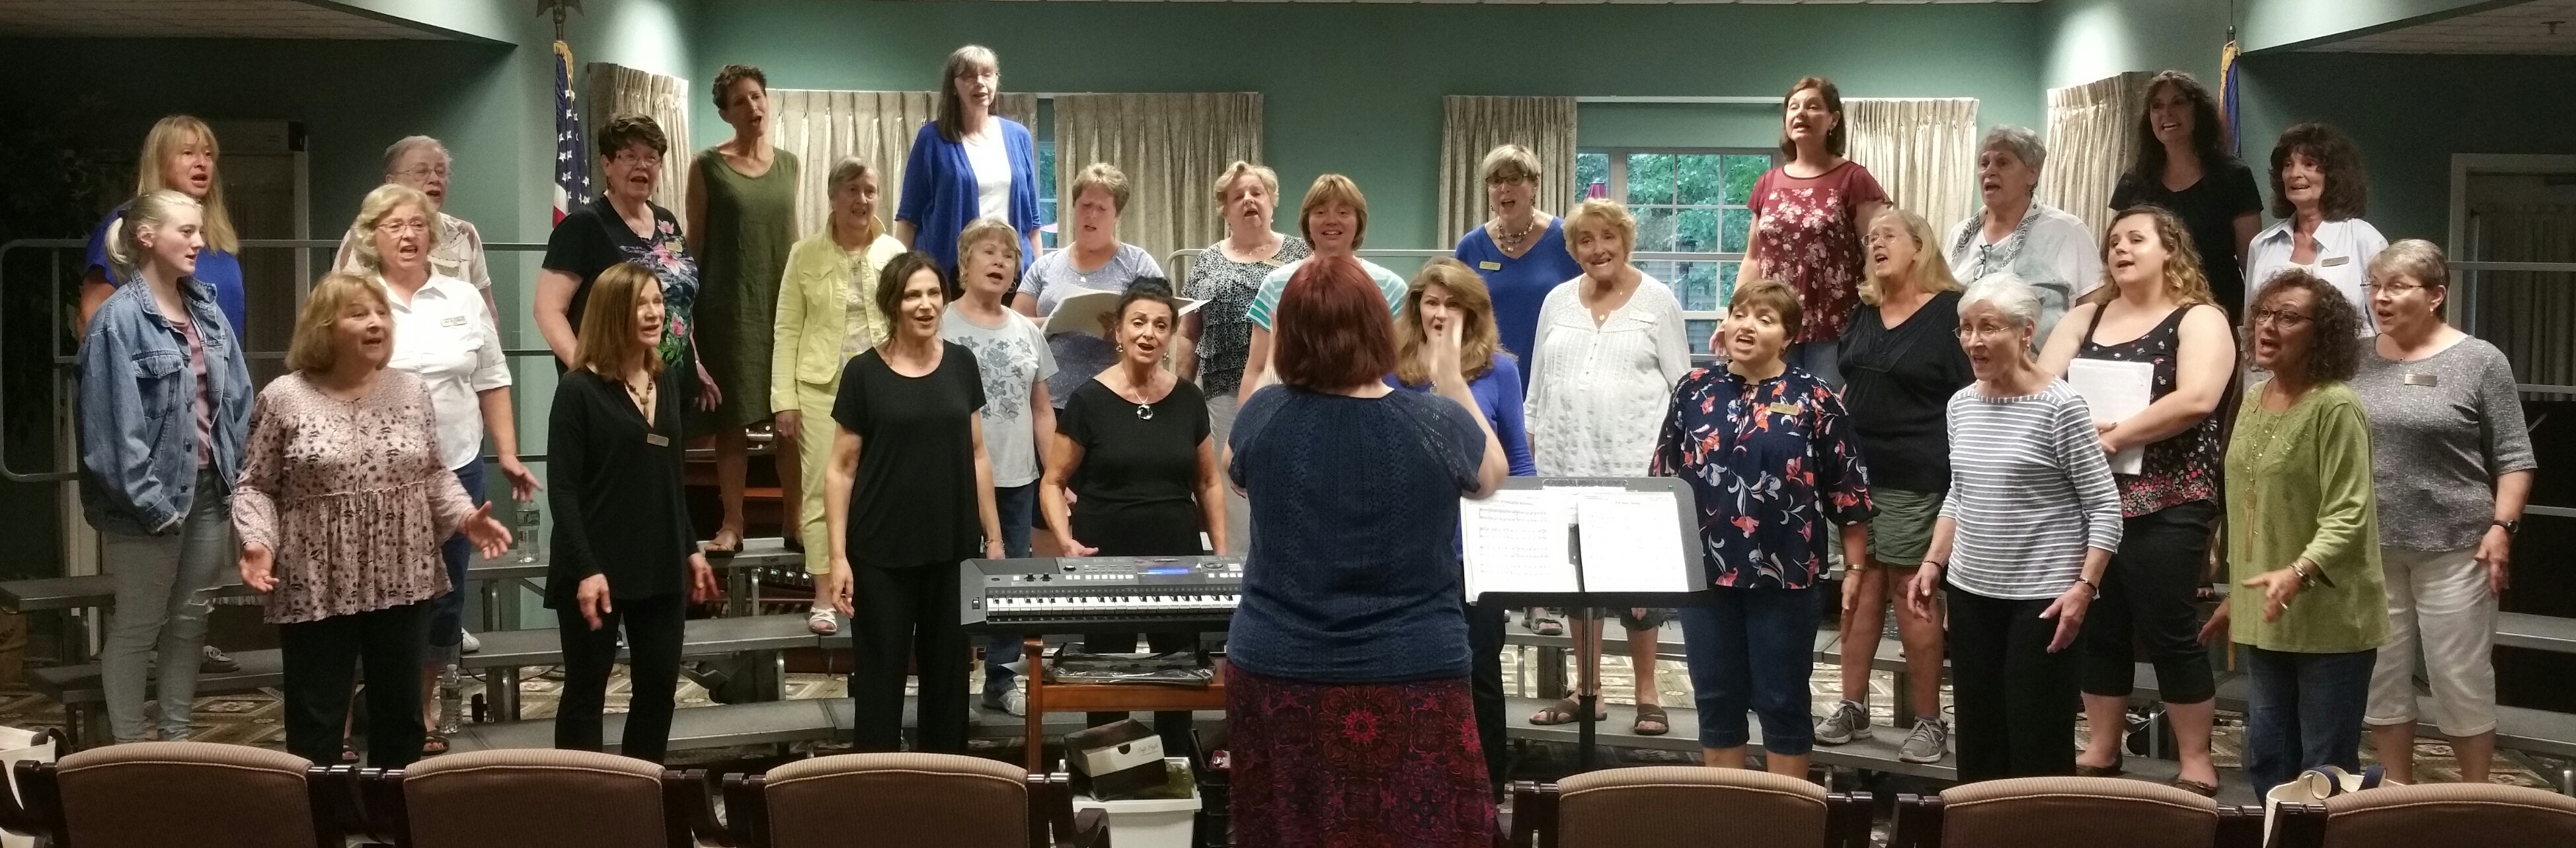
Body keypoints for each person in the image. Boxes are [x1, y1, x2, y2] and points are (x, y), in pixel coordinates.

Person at [1226, 257, 1508, 848]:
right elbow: (1490, 476)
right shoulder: (1434, 420)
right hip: (1415, 670)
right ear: (1381, 327)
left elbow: (1237, 472)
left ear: (1291, 333)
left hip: (1280, 666)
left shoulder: (1262, 414)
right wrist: (1449, 376)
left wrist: (1280, 356)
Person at [232, 272, 511, 768]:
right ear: (323, 326)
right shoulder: (283, 397)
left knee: (401, 718)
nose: (376, 322)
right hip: (315, 577)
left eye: (381, 312)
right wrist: (258, 542)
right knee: (316, 721)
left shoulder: (410, 391)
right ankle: (321, 826)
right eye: (359, 313)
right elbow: (256, 484)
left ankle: (395, 823)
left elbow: (431, 473)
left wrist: (466, 517)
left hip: (401, 572)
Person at [2037, 206, 2235, 795]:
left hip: (2170, 499)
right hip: (2090, 499)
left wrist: (2113, 436)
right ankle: (2101, 748)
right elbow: (2044, 385)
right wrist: (2082, 436)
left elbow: (2198, 398)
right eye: (2114, 241)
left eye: (2136, 239)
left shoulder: (2199, 318)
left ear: (2169, 249)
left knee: (2169, 627)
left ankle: (2196, 758)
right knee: (2100, 624)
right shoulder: (2086, 314)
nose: (2120, 248)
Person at [1903, 273, 2122, 783]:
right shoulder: (1961, 405)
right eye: (1965, 329)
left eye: (1988, 328)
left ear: (2026, 331)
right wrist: (1934, 561)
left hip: (2044, 601)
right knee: (1978, 744)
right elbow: (1960, 492)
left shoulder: (2060, 407)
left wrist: (2084, 588)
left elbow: (2105, 509)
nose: (1973, 341)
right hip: (1973, 592)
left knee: (2036, 746)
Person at [344, 183, 538, 753]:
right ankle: (349, 718)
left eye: (417, 225)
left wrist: (506, 452)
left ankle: (420, 709)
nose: (408, 236)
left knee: (446, 595)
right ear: (371, 237)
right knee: (368, 594)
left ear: (433, 234)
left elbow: (492, 379)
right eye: (394, 226)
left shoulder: (462, 297)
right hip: (374, 477)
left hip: (457, 466)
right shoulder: (354, 297)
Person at [1659, 279, 1872, 780]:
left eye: (1764, 318)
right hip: (1704, 577)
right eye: (1738, 313)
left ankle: (1785, 822)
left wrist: (1857, 568)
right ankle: (1726, 820)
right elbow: (1664, 477)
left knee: (1781, 699)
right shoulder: (1693, 390)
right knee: (1715, 698)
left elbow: (1849, 493)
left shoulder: (1815, 398)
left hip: (1787, 576)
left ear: (1788, 335)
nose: (1746, 325)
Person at [2355, 241, 2534, 785]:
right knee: (2381, 674)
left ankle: (2475, 792)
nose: (2380, 298)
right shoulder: (2353, 357)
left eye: (2396, 286)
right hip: (2370, 546)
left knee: (2459, 675)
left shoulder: (2478, 360)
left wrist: (2502, 528)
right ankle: (2396, 788)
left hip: (2457, 544)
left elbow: (2514, 457)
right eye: (2375, 286)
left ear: (2435, 295)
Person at [77, 189, 252, 745]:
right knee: (136, 626)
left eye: (199, 230)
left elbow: (238, 399)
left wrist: (234, 477)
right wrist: (153, 506)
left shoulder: (207, 311)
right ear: (147, 237)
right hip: (145, 503)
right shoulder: (117, 321)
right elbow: (110, 435)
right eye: (186, 231)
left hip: (209, 491)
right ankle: (130, 749)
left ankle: (176, 744)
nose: (200, 242)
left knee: (190, 624)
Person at [818, 252, 1005, 753]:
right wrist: (837, 557)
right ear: (893, 305)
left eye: (933, 293)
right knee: (879, 685)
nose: (925, 305)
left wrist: (994, 537)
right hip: (880, 554)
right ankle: (877, 799)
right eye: (912, 295)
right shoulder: (863, 373)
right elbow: (839, 470)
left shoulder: (962, 364)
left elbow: (977, 454)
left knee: (948, 683)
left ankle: (945, 792)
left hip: (950, 549)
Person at [2206, 268, 2384, 795]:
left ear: (2321, 332)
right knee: (2265, 760)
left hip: (2330, 618)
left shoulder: (2336, 406)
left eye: (2288, 317)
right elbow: (2246, 507)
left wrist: (2297, 571)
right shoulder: (2253, 398)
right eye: (2263, 313)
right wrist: (2235, 595)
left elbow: (2348, 514)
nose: (2268, 326)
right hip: (2267, 616)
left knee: (2322, 772)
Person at [1522, 198, 1691, 736]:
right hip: (1565, 459)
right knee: (1579, 582)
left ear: (1625, 240)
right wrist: (1532, 448)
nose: (1597, 249)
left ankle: (1647, 693)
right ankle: (1585, 689)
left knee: (1638, 589)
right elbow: (1537, 385)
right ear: (1572, 250)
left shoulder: (1657, 301)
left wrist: (1670, 466)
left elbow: (1682, 387)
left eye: (1606, 238)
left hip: (1634, 463)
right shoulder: (1555, 300)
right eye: (1585, 241)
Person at [545, 262, 724, 764]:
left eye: (657, 302)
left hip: (658, 561)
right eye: (640, 303)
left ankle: (642, 799)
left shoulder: (665, 381)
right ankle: (580, 803)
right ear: (611, 312)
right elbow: (562, 490)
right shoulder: (579, 389)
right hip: (594, 566)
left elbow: (670, 478)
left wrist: (691, 549)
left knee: (658, 688)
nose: (654, 313)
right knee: (586, 693)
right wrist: (585, 568)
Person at [1041, 278, 1223, 755]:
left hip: (1178, 561)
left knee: (1179, 679)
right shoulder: (1087, 400)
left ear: (1170, 334)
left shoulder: (1187, 399)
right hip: (1104, 560)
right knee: (1105, 680)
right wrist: (1065, 541)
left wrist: (1221, 554)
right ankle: (1105, 799)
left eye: (1161, 325)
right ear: (1117, 332)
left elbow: (1207, 482)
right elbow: (1053, 481)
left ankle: (1180, 788)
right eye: (1138, 322)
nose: (1149, 333)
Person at [1816, 209, 1971, 765]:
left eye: (1887, 236)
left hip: (1917, 474)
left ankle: (1929, 720)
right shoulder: (1862, 310)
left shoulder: (1953, 313)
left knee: (1914, 597)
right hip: (1856, 474)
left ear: (1919, 245)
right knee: (1857, 595)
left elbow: (1970, 394)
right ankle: (1852, 705)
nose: (1875, 244)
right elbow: (1850, 381)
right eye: (1869, 239)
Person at [1389, 258, 1534, 792]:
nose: (1440, 312)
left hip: (1475, 548)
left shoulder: (1498, 370)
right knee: (1408, 673)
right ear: (1416, 306)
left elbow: (1517, 460)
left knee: (1478, 675)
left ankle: (1486, 791)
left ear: (1471, 311)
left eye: (1452, 303)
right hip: (1404, 546)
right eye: (1431, 301)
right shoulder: (1389, 365)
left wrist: (1521, 542)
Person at [775, 157, 908, 634]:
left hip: (882, 387)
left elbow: (909, 320)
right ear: (832, 196)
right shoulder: (803, 254)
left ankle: (873, 586)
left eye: (870, 190)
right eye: (851, 190)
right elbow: (787, 327)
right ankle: (825, 596)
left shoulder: (894, 252)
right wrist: (783, 399)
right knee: (818, 490)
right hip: (818, 388)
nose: (862, 199)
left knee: (880, 491)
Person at [686, 63, 802, 554]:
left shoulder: (790, 164)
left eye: (757, 97)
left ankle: (795, 523)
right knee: (730, 422)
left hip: (781, 306)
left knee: (789, 420)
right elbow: (695, 244)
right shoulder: (707, 166)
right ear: (725, 113)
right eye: (740, 102)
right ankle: (731, 523)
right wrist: (687, 315)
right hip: (727, 309)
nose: (753, 107)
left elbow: (792, 239)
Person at [943, 218, 1057, 713]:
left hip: (1014, 477)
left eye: (1008, 256)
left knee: (1011, 581)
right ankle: (946, 677)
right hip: (948, 478)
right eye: (987, 252)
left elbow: (1041, 410)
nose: (998, 262)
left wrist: (1054, 475)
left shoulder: (1026, 331)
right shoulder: (939, 321)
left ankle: (1000, 678)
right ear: (964, 262)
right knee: (948, 580)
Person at [535, 114, 717, 424]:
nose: (642, 166)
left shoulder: (667, 222)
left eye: (651, 158)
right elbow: (548, 310)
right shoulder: (584, 226)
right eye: (629, 156)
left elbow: (678, 304)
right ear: (607, 165)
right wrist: (586, 373)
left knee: (669, 474)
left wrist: (694, 360)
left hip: (671, 387)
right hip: (613, 393)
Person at [1180, 161, 1309, 556]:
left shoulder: (1300, 253)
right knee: (1233, 487)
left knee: (1288, 485)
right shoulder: (1207, 260)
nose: (1249, 201)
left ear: (1273, 202)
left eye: (1257, 193)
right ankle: (1237, 577)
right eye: (1238, 196)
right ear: (1224, 209)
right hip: (1224, 392)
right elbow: (1188, 332)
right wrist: (1179, 395)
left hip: (1291, 391)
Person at [1741, 76, 1892, 387]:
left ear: (1833, 120)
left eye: (1813, 107)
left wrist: (1888, 315)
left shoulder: (1854, 178)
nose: (1801, 114)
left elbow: (1878, 253)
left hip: (1835, 329)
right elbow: (1753, 259)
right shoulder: (1767, 183)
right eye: (1794, 107)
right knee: (1775, 417)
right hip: (1775, 325)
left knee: (1823, 417)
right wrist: (1737, 315)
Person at [1235, 174, 1409, 405]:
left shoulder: (1392, 286)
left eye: (1343, 212)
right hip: (1291, 414)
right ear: (1307, 222)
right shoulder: (1276, 284)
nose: (1331, 220)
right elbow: (1256, 369)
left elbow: (1402, 369)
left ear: (1359, 222)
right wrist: (1245, 428)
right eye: (1320, 212)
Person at [2111, 71, 2263, 318]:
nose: (2167, 114)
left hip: (2220, 309)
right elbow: (2118, 255)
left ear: (2199, 112)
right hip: (2149, 313)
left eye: (2178, 103)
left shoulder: (2234, 177)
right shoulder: (2134, 182)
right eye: (2157, 106)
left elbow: (2252, 263)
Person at [78, 116, 247, 336]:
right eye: (188, 153)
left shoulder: (216, 227)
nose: (202, 163)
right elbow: (91, 317)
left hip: (221, 366)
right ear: (160, 162)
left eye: (208, 155)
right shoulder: (130, 223)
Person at [1015, 163, 1167, 408]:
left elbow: (1161, 320)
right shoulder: (1046, 266)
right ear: (1074, 207)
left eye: (1102, 208)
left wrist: (1121, 330)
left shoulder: (1138, 264)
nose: (1092, 215)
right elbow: (1014, 323)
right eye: (1086, 205)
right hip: (1050, 403)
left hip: (1117, 400)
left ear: (1117, 215)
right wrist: (1054, 322)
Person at [1941, 126, 2100, 346]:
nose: (1989, 171)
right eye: (1984, 163)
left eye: (2003, 162)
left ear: (2032, 173)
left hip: (2039, 369)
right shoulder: (1960, 234)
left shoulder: (2066, 231)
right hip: (1960, 369)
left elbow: (2093, 310)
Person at [896, 44, 1040, 274]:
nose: (980, 82)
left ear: (996, 80)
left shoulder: (1018, 136)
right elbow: (908, 220)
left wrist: (1037, 279)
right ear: (953, 86)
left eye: (987, 74)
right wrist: (901, 278)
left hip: (1012, 275)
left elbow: (1032, 226)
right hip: (950, 275)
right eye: (969, 76)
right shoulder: (932, 139)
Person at [333, 135, 498, 323]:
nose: (434, 179)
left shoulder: (464, 234)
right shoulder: (367, 234)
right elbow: (339, 308)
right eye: (421, 172)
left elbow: (487, 312)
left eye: (441, 172)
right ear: (392, 183)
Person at [1454, 143, 1584, 380]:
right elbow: (1456, 317)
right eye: (1495, 181)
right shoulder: (1471, 247)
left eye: (1514, 179)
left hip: (1554, 374)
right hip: (1487, 375)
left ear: (1534, 185)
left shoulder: (1566, 240)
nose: (1504, 188)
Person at [2245, 124, 2387, 332]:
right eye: (2288, 165)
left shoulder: (2365, 240)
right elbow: (2252, 326)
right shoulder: (2262, 245)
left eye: (2309, 164)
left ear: (2333, 175)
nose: (2295, 173)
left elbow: (2386, 329)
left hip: (2350, 363)